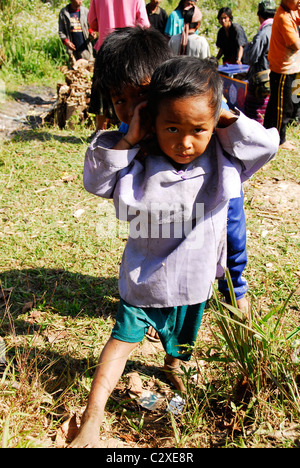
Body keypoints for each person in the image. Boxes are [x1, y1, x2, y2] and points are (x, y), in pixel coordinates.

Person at [68, 52, 278, 447]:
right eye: (170, 127)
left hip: (195, 280)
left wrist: (226, 115)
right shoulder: (138, 161)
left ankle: (174, 368)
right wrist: (131, 137)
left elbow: (265, 146)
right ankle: (93, 415)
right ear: (151, 120)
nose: (184, 142)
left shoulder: (222, 155)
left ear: (215, 124)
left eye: (198, 128)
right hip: (145, 277)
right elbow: (96, 181)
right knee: (122, 340)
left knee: (184, 340)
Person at [87, 0, 150, 130]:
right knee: (130, 90)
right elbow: (144, 24)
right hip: (131, 52)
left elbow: (92, 22)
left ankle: (99, 128)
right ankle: (128, 125)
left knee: (103, 91)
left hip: (106, 50)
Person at [263, 0, 300, 150]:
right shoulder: (283, 17)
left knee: (280, 103)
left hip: (293, 67)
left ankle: (267, 131)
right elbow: (295, 45)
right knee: (281, 108)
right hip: (283, 69)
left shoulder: (292, 10)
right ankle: (280, 139)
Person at [243, 0, 276, 124]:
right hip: (275, 80)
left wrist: (248, 47)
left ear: (260, 17)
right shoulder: (281, 29)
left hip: (261, 83)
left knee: (255, 116)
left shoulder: (263, 33)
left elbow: (250, 57)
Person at [58, 0, 96, 65]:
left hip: (85, 49)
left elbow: (89, 26)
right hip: (72, 51)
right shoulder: (64, 13)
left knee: (88, 68)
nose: (80, 1)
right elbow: (61, 31)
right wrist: (66, 42)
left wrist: (92, 33)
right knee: (74, 71)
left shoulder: (85, 11)